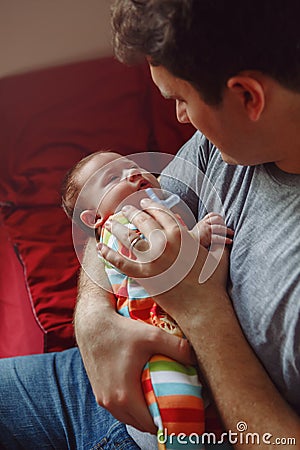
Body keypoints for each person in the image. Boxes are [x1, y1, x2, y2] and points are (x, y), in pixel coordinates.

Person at [0, 1, 299, 449]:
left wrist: (202, 310)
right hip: (81, 380)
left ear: (247, 97)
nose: (180, 118)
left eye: (180, 99)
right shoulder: (228, 143)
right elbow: (118, 221)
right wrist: (95, 322)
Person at [61, 150, 232, 448]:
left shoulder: (153, 211)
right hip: (152, 335)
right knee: (178, 413)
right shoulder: (119, 228)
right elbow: (154, 254)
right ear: (96, 218)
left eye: (134, 166)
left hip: (172, 332)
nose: (132, 173)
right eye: (113, 178)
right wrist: (197, 235)